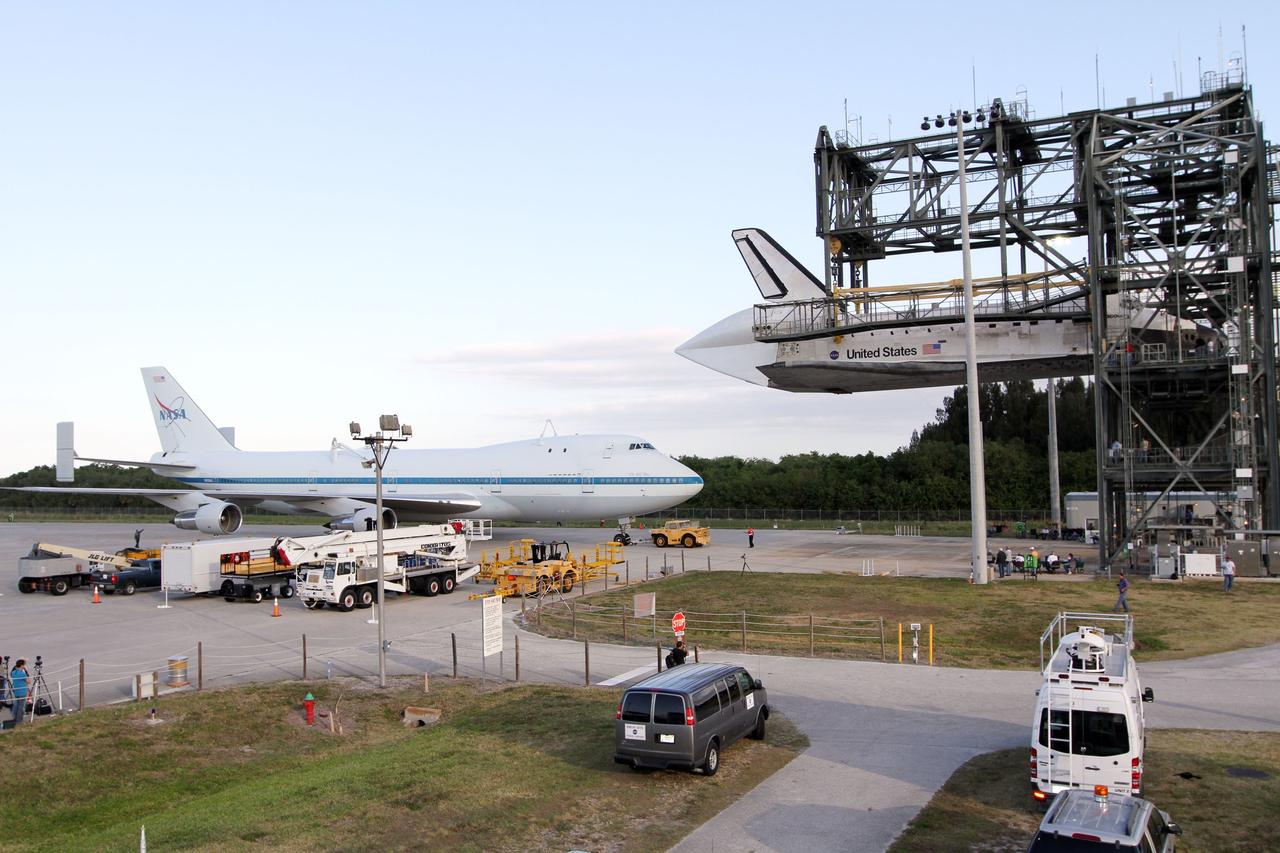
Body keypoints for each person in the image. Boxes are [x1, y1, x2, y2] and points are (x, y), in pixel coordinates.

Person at [8, 659, 29, 727]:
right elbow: (28, 681)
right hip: (22, 692)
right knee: (21, 707)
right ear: (22, 665)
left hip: (16, 692)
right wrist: (25, 671)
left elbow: (11, 675)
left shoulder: (13, 672)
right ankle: (19, 721)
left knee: (16, 705)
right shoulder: (22, 673)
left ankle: (15, 718)